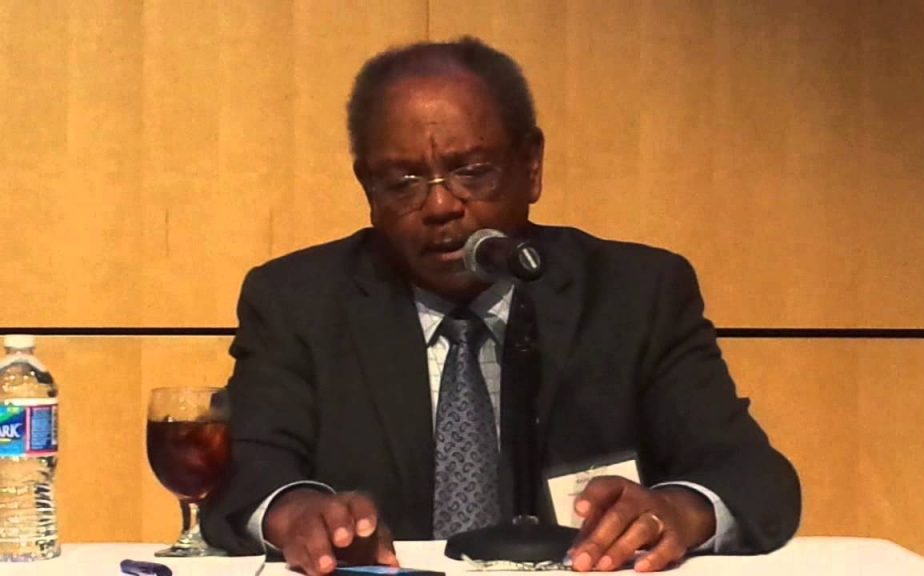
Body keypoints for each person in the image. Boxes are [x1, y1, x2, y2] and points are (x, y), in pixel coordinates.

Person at [201, 37, 801, 575]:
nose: (440, 207)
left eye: (471, 172)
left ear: (531, 166)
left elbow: (751, 476)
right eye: (403, 181)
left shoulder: (635, 294)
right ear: (367, 189)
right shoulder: (298, 300)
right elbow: (247, 472)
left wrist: (680, 511)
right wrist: (297, 512)